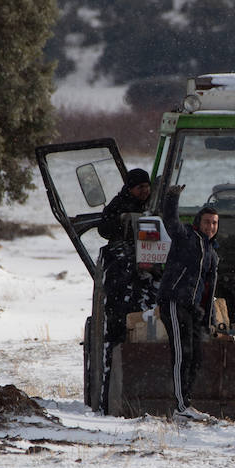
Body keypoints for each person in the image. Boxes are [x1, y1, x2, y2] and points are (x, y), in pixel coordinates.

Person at [156, 183, 219, 421]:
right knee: (182, 354)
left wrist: (210, 319)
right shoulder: (186, 236)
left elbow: (209, 289)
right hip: (174, 302)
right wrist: (172, 197)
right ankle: (180, 407)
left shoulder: (212, 253)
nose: (210, 227)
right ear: (198, 222)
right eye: (207, 222)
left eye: (214, 223)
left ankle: (187, 404)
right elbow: (170, 220)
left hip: (194, 310)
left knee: (195, 356)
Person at [93, 169, 153, 412]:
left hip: (148, 253)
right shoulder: (118, 205)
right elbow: (104, 228)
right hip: (126, 258)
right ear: (130, 188)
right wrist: (122, 222)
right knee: (120, 311)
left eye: (147, 187)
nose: (145, 191)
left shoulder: (154, 204)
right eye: (140, 188)